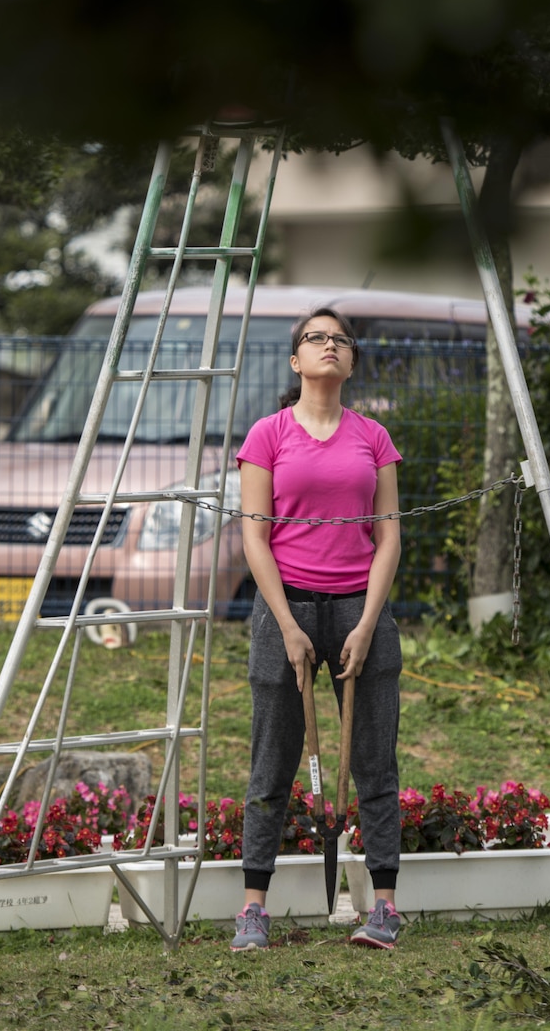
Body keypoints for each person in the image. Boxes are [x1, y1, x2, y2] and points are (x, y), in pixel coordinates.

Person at [230, 305, 405, 951]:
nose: (328, 346)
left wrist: (365, 623)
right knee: (271, 762)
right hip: (287, 611)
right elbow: (254, 538)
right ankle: (253, 908)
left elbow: (388, 537)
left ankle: (383, 906)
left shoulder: (374, 438)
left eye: (340, 340)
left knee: (373, 761)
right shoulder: (268, 435)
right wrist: (287, 625)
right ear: (296, 359)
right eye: (315, 338)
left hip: (362, 610)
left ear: (350, 361)